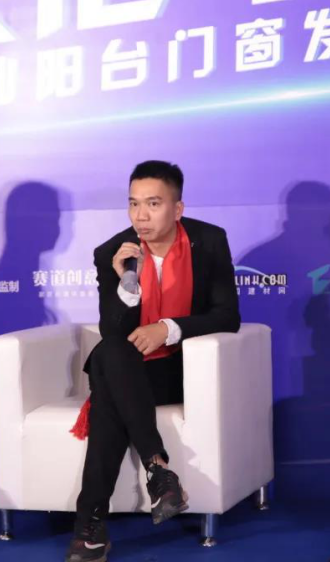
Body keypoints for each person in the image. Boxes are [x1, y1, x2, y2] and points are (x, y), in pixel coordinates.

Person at [66, 160, 240, 562]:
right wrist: (125, 286)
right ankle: (159, 470)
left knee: (108, 383)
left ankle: (90, 525)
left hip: (183, 370)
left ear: (177, 209)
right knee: (111, 355)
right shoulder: (113, 252)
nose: (140, 216)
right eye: (133, 204)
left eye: (153, 204)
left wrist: (168, 328)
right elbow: (112, 330)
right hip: (132, 372)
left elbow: (227, 316)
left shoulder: (208, 241)